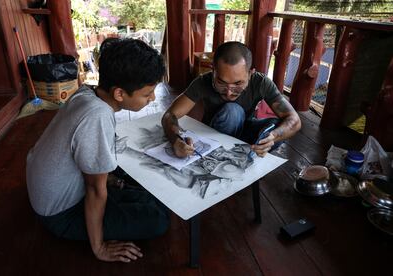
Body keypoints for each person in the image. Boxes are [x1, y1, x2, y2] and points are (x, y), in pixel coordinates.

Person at [26, 38, 169, 263]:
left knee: (147, 190)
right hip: (60, 213)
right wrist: (99, 247)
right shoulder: (97, 116)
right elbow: (95, 190)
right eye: (147, 93)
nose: (152, 99)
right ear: (119, 94)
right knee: (158, 219)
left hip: (52, 191)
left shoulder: (86, 93)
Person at [162, 41, 301, 158]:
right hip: (216, 134)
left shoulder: (261, 82)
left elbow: (294, 119)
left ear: (250, 73)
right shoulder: (202, 82)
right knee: (232, 110)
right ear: (213, 70)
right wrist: (176, 140)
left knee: (277, 126)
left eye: (238, 83)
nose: (229, 93)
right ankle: (221, 154)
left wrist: (274, 136)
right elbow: (170, 115)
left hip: (246, 133)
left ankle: (247, 153)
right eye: (221, 83)